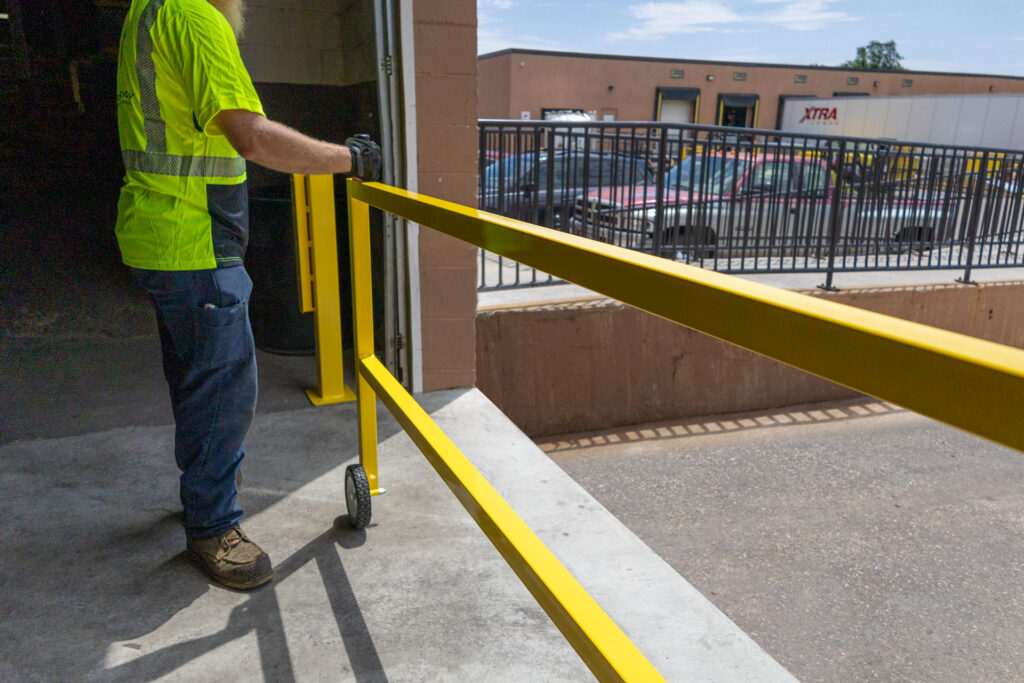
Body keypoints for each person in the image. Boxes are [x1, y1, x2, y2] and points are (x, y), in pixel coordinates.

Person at [115, 0, 381, 590]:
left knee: (197, 383)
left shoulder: (147, 11)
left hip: (159, 234)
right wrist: (351, 159)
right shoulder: (194, 17)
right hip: (195, 243)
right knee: (225, 393)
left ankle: (202, 499)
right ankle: (214, 527)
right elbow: (253, 139)